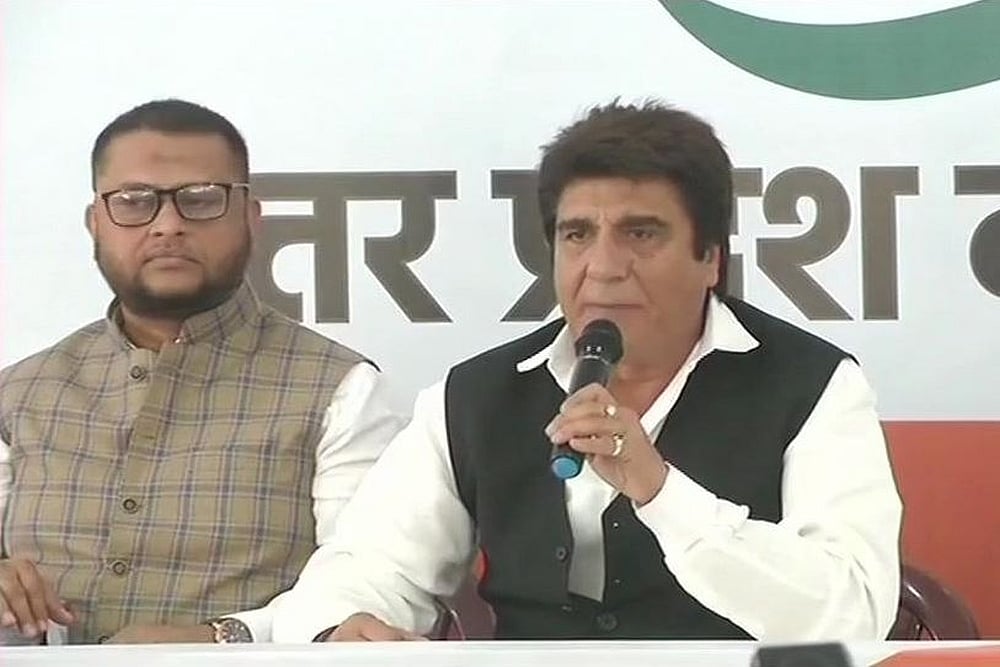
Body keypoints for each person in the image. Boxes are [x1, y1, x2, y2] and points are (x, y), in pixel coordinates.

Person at [268, 100, 903, 643]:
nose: (602, 267)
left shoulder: (813, 385)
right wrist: (343, 624)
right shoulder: (474, 396)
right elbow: (369, 565)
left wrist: (661, 492)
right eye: (577, 235)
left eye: (641, 234)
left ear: (710, 257)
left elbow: (854, 612)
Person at [0, 99, 405, 644]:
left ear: (251, 218)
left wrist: (222, 638)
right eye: (134, 202)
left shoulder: (340, 389)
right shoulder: (18, 394)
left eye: (201, 199)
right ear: (95, 223)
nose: (168, 225)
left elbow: (366, 583)